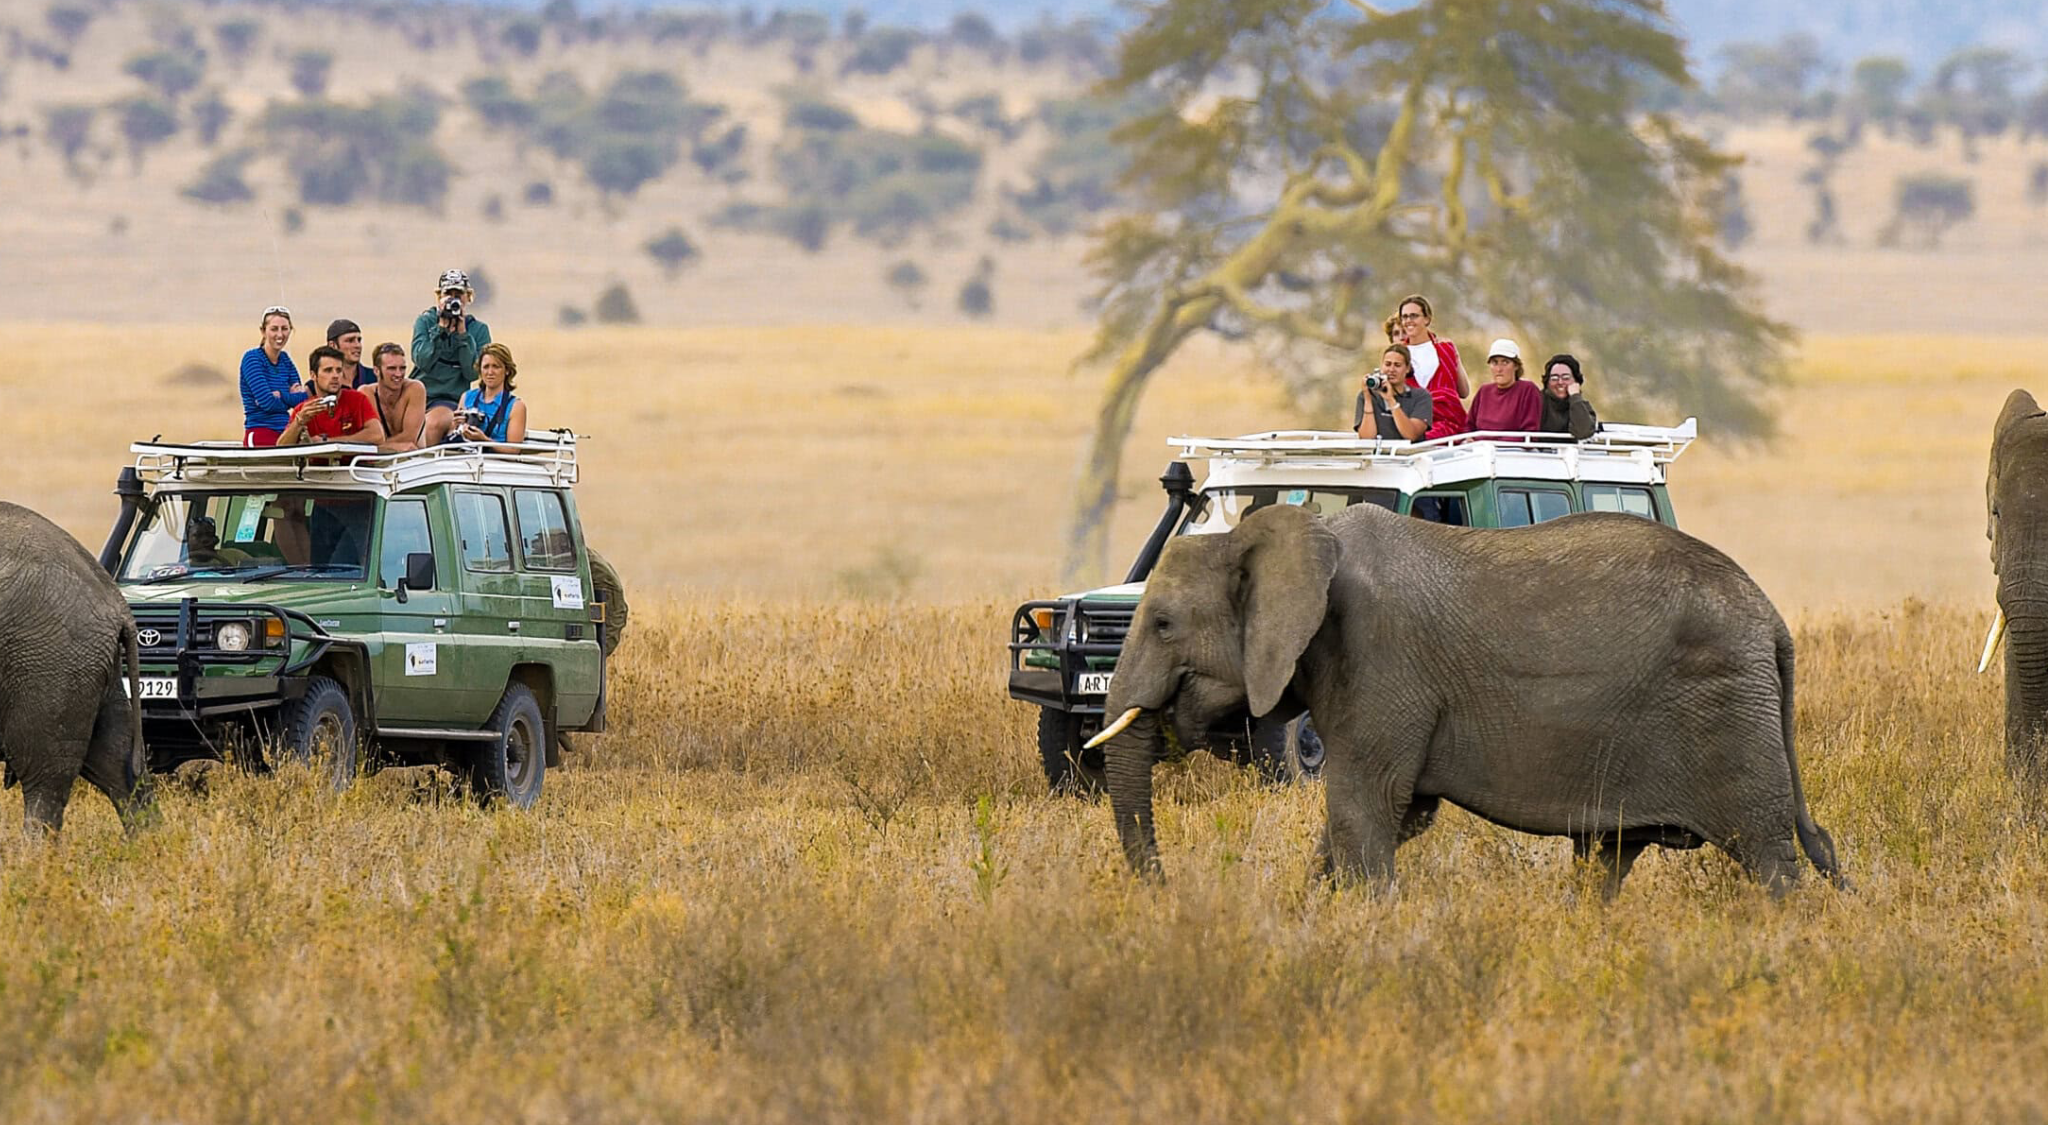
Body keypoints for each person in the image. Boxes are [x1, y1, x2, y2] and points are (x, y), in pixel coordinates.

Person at [413, 268, 492, 446]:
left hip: (450, 398)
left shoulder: (479, 330)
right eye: (448, 294)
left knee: (434, 423)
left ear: (468, 297)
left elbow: (472, 373)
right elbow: (422, 361)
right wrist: (440, 329)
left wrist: (463, 335)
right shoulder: (425, 321)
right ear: (439, 297)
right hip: (419, 394)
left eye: (459, 295)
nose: (453, 300)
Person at [1394, 294, 1470, 440]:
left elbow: (1464, 392)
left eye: (1414, 316)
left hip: (1447, 422)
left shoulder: (1446, 349)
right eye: (1404, 317)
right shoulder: (1397, 354)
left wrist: (1456, 357)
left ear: (1427, 319)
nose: (1408, 321)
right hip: (1410, 421)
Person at [279, 345, 386, 447]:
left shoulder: (358, 399)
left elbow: (378, 436)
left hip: (353, 460)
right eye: (328, 370)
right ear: (313, 375)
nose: (335, 376)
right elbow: (282, 447)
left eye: (339, 370)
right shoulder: (304, 410)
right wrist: (298, 422)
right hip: (317, 461)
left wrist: (328, 442)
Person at [238, 305, 306, 447]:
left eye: (284, 329)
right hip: (261, 430)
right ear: (263, 331)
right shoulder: (252, 359)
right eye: (274, 329)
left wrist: (281, 395)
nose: (280, 335)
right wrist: (289, 397)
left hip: (287, 431)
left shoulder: (285, 360)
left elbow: (301, 401)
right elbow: (267, 403)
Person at [452, 341, 528, 449]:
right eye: (486, 367)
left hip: (496, 459)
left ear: (507, 370)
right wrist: (457, 426)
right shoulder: (467, 397)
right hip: (467, 455)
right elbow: (455, 436)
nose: (490, 372)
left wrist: (484, 440)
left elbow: (514, 450)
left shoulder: (516, 406)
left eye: (496, 367)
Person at [1352, 345, 1432, 442]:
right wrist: (1367, 398)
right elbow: (1367, 439)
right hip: (1378, 451)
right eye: (1387, 364)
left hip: (1408, 452)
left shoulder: (1421, 396)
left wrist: (1391, 401)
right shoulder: (1368, 396)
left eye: (1397, 365)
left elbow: (1411, 435)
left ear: (1407, 368)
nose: (1391, 370)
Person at [1466, 338, 1543, 434]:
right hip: (1481, 443)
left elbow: (1530, 432)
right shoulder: (1484, 391)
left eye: (1505, 362)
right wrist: (1469, 438)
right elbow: (1468, 426)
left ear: (1516, 366)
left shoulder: (1528, 390)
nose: (1499, 369)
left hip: (1511, 444)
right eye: (1494, 363)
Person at [367, 341, 427, 453]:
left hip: (414, 458)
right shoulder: (367, 393)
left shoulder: (415, 389)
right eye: (392, 368)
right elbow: (369, 437)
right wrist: (387, 446)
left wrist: (378, 446)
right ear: (376, 371)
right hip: (377, 458)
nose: (399, 374)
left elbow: (410, 438)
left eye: (402, 368)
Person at [1539, 353, 1599, 442]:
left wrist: (1575, 397)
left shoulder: (1582, 406)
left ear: (1576, 381)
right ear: (1547, 382)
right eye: (1554, 378)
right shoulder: (1537, 401)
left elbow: (1583, 432)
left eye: (1566, 378)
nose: (1560, 382)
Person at [327, 318, 376, 388]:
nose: (357, 345)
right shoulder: (321, 383)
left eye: (359, 340)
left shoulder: (375, 378)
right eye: (350, 340)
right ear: (332, 345)